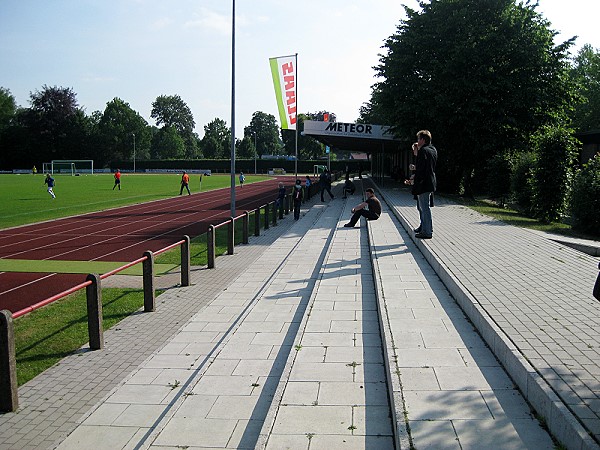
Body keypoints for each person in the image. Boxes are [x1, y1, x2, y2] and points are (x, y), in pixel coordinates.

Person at [412, 130, 437, 239]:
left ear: (422, 139)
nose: (417, 141)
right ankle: (423, 227)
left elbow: (422, 169)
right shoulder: (433, 150)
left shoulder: (423, 151)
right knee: (421, 206)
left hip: (423, 184)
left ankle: (427, 231)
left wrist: (415, 177)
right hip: (430, 181)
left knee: (424, 207)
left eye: (418, 139)